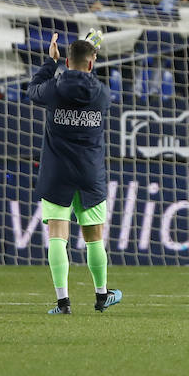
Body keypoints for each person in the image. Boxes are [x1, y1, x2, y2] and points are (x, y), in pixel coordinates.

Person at [25, 34, 121, 315]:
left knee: (57, 235)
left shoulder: (54, 88)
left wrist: (50, 63)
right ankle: (102, 296)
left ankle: (63, 302)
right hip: (89, 172)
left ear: (66, 62)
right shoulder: (102, 93)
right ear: (91, 65)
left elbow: (32, 90)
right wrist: (91, 61)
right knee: (94, 236)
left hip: (57, 171)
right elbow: (89, 87)